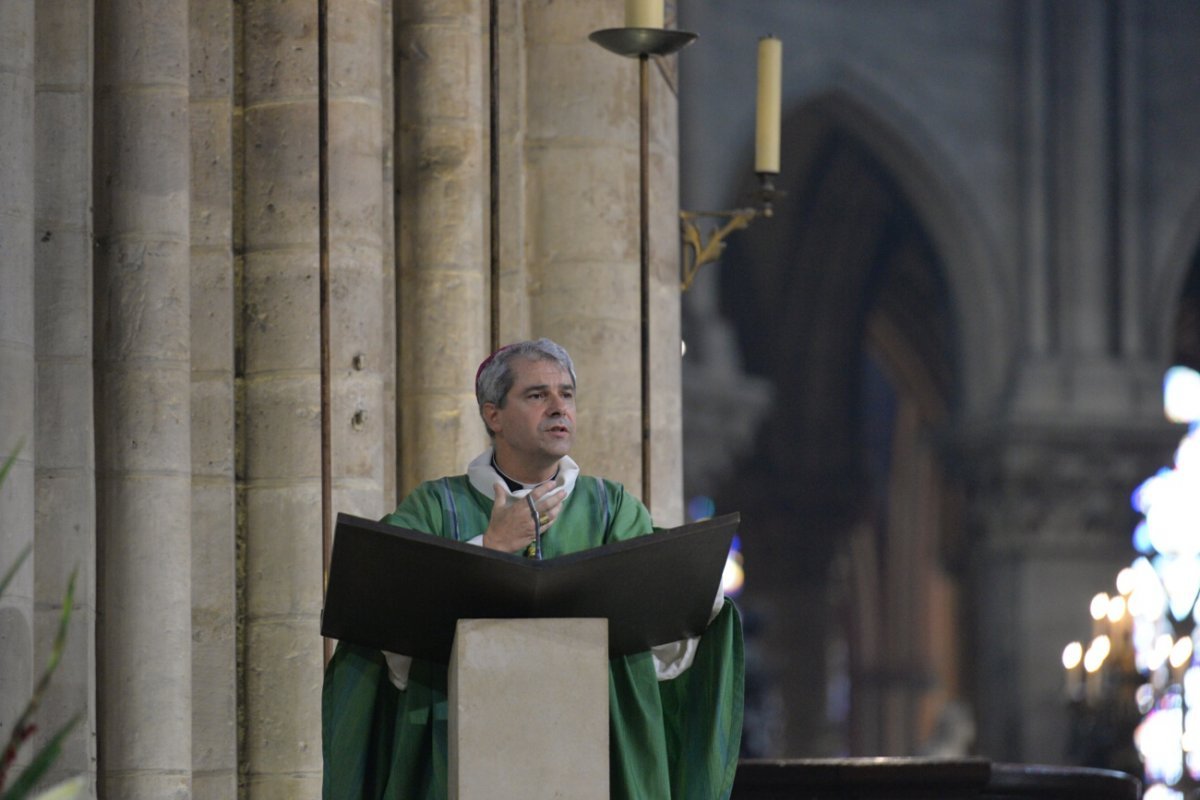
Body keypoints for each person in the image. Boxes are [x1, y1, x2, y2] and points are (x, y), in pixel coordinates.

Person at [322, 338, 744, 799]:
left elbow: (665, 617)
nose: (559, 407)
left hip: (596, 740)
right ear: (493, 415)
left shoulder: (610, 507)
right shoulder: (438, 506)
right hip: (459, 732)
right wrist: (490, 546)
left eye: (567, 394)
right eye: (537, 395)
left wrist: (695, 582)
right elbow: (377, 604)